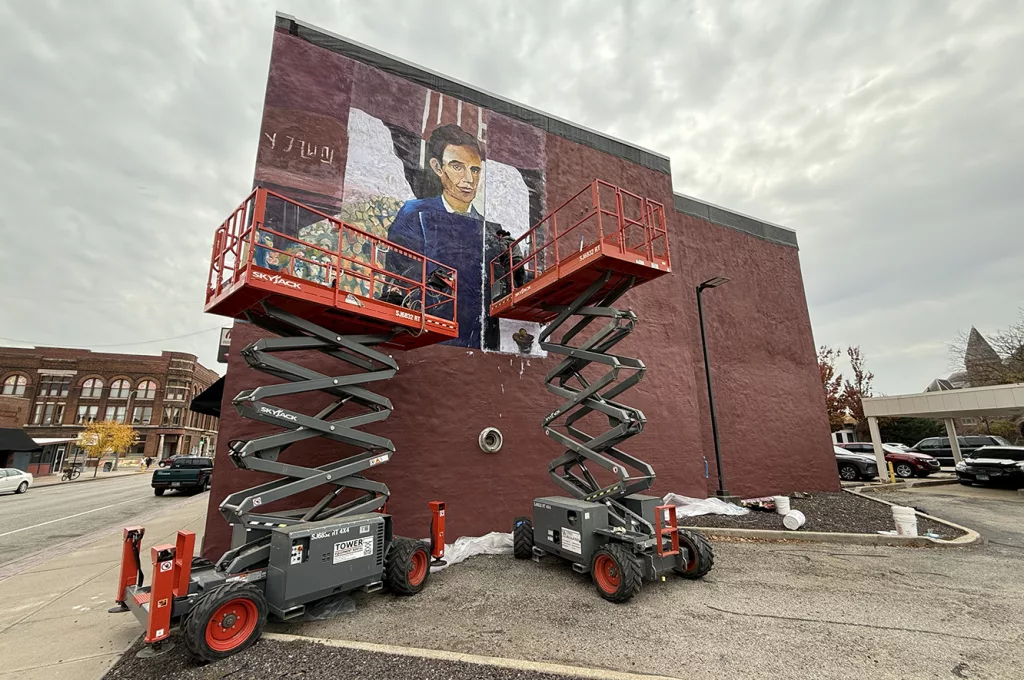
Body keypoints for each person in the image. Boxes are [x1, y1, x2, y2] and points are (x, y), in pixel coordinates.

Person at [385, 124, 487, 347]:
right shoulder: (414, 213)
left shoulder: (489, 230)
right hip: (426, 333)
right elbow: (398, 272)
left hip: (475, 338)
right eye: (457, 167)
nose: (469, 179)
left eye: (475, 169)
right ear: (437, 167)